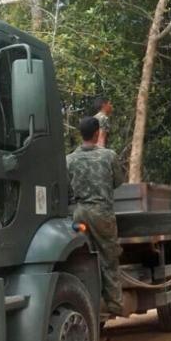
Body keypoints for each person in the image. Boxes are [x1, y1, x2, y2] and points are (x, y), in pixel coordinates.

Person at [67, 116, 124, 316]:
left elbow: (67, 189)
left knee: (84, 259)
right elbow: (118, 182)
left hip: (79, 214)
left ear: (80, 134)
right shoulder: (109, 156)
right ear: (97, 133)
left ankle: (88, 302)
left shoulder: (70, 159)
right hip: (102, 213)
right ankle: (115, 305)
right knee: (109, 257)